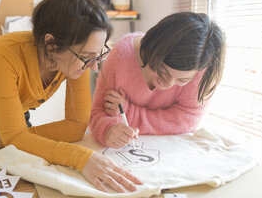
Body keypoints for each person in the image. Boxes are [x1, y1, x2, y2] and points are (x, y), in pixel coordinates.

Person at [0, 0, 142, 193]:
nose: (94, 64)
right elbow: (17, 135)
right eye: (88, 57)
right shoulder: (3, 54)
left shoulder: (78, 59)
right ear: (51, 44)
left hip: (16, 122)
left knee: (21, 190)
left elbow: (76, 127)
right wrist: (81, 157)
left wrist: (7, 138)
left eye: (99, 54)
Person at [89, 12, 226, 149]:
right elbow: (97, 113)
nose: (167, 84)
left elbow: (187, 121)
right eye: (162, 71)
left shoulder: (201, 67)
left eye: (182, 80)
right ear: (151, 49)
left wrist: (129, 112)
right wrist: (107, 130)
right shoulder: (121, 55)